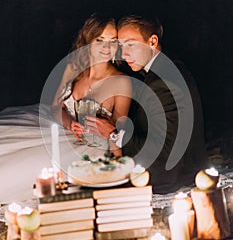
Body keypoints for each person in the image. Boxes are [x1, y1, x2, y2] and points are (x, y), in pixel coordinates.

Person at [85, 15, 208, 193]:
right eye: (121, 46)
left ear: (152, 41)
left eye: (131, 44)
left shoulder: (163, 82)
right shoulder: (166, 68)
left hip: (170, 177)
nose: (123, 53)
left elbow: (165, 150)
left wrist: (113, 133)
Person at [51, 13, 132, 155]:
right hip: (66, 137)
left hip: (96, 151)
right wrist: (70, 124)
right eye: (100, 40)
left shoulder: (121, 82)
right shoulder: (73, 68)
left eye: (113, 41)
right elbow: (55, 108)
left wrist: (119, 165)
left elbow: (117, 134)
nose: (107, 47)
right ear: (88, 41)